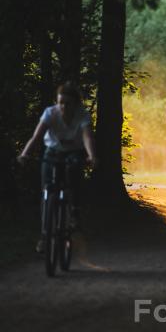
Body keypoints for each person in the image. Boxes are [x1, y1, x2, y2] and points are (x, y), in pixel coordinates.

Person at [18, 82, 97, 252]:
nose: (63, 107)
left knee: (74, 172)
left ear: (76, 104)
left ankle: (74, 213)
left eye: (67, 103)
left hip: (74, 152)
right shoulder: (50, 113)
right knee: (47, 193)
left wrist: (91, 155)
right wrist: (25, 153)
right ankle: (45, 236)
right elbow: (36, 137)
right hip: (52, 152)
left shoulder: (82, 116)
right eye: (61, 102)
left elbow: (87, 138)